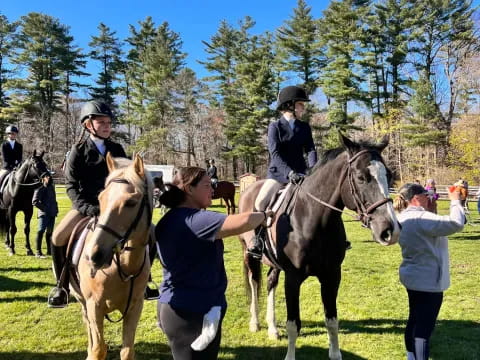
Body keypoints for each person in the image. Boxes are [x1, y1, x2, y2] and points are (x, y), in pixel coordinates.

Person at [155, 166, 274, 360]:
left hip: (178, 307)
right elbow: (243, 221)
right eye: (206, 185)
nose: (212, 189)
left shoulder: (170, 219)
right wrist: (264, 216)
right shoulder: (196, 220)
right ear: (189, 189)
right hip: (192, 313)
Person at [47, 100, 130, 308]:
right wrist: (86, 208)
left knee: (149, 231)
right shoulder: (78, 151)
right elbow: (71, 186)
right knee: (58, 237)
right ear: (88, 125)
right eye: (101, 122)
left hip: (114, 208)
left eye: (109, 122)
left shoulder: (117, 148)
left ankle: (144, 281)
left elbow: (127, 177)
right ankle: (62, 286)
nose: (107, 126)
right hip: (87, 207)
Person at [393, 183, 464, 360]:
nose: (429, 197)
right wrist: (456, 201)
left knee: (415, 320)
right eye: (426, 195)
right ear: (416, 198)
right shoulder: (421, 218)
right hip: (428, 279)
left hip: (414, 276)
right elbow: (456, 223)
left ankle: (411, 356)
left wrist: (431, 212)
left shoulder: (403, 217)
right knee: (424, 328)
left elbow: (427, 232)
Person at [247, 85, 317, 258]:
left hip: (302, 174)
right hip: (279, 174)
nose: (303, 107)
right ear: (290, 105)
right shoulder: (275, 127)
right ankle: (258, 240)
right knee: (260, 202)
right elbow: (275, 154)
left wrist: (314, 170)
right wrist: (289, 173)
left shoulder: (305, 127)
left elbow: (310, 150)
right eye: (301, 104)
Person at [32, 173, 58, 258]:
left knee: (50, 232)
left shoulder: (51, 187)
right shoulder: (40, 188)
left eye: (50, 176)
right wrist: (45, 209)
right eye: (47, 176)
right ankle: (38, 253)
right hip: (44, 214)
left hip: (52, 213)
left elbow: (54, 199)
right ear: (43, 178)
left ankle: (49, 251)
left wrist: (55, 209)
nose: (49, 177)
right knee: (41, 231)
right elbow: (35, 201)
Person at [0, 125, 23, 190]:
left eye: (14, 133)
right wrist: (12, 165)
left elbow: (19, 158)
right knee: (1, 178)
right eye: (11, 133)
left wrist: (17, 165)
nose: (13, 135)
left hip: (17, 168)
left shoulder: (19, 146)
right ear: (8, 134)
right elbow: (5, 158)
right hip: (7, 168)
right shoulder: (3, 145)